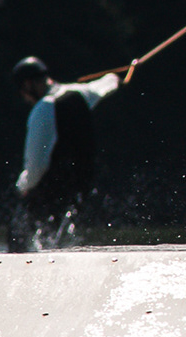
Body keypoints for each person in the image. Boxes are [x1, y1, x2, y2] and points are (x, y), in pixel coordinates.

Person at [7, 56, 121, 253]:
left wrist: (22, 186)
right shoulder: (80, 94)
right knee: (61, 242)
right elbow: (105, 85)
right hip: (80, 190)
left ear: (27, 85)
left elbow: (36, 167)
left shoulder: (44, 109)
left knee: (17, 236)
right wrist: (116, 77)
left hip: (51, 193)